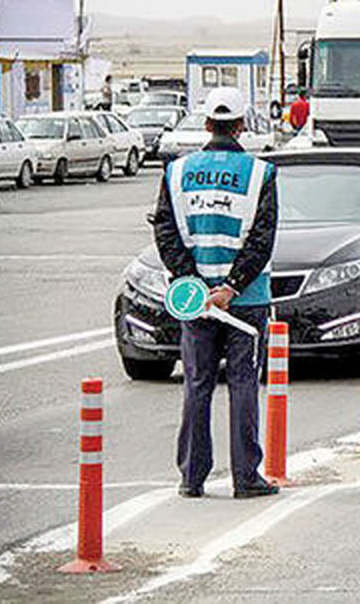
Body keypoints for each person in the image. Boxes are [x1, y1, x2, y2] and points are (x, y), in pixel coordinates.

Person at [150, 87, 280, 500]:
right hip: (247, 301)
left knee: (197, 384)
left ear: (206, 124)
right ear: (242, 125)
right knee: (243, 383)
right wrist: (232, 287)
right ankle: (246, 478)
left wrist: (193, 283)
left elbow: (166, 232)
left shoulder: (177, 171)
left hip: (195, 302)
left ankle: (192, 478)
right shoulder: (262, 173)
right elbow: (262, 239)